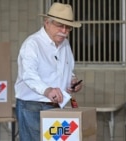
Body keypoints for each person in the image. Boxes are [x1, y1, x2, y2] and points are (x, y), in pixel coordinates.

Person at [14, 2, 83, 141]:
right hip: (32, 105)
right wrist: (47, 90)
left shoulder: (65, 44)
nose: (64, 31)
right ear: (47, 23)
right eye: (59, 25)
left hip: (56, 105)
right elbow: (29, 74)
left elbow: (67, 68)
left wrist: (72, 81)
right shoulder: (32, 44)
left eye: (68, 27)